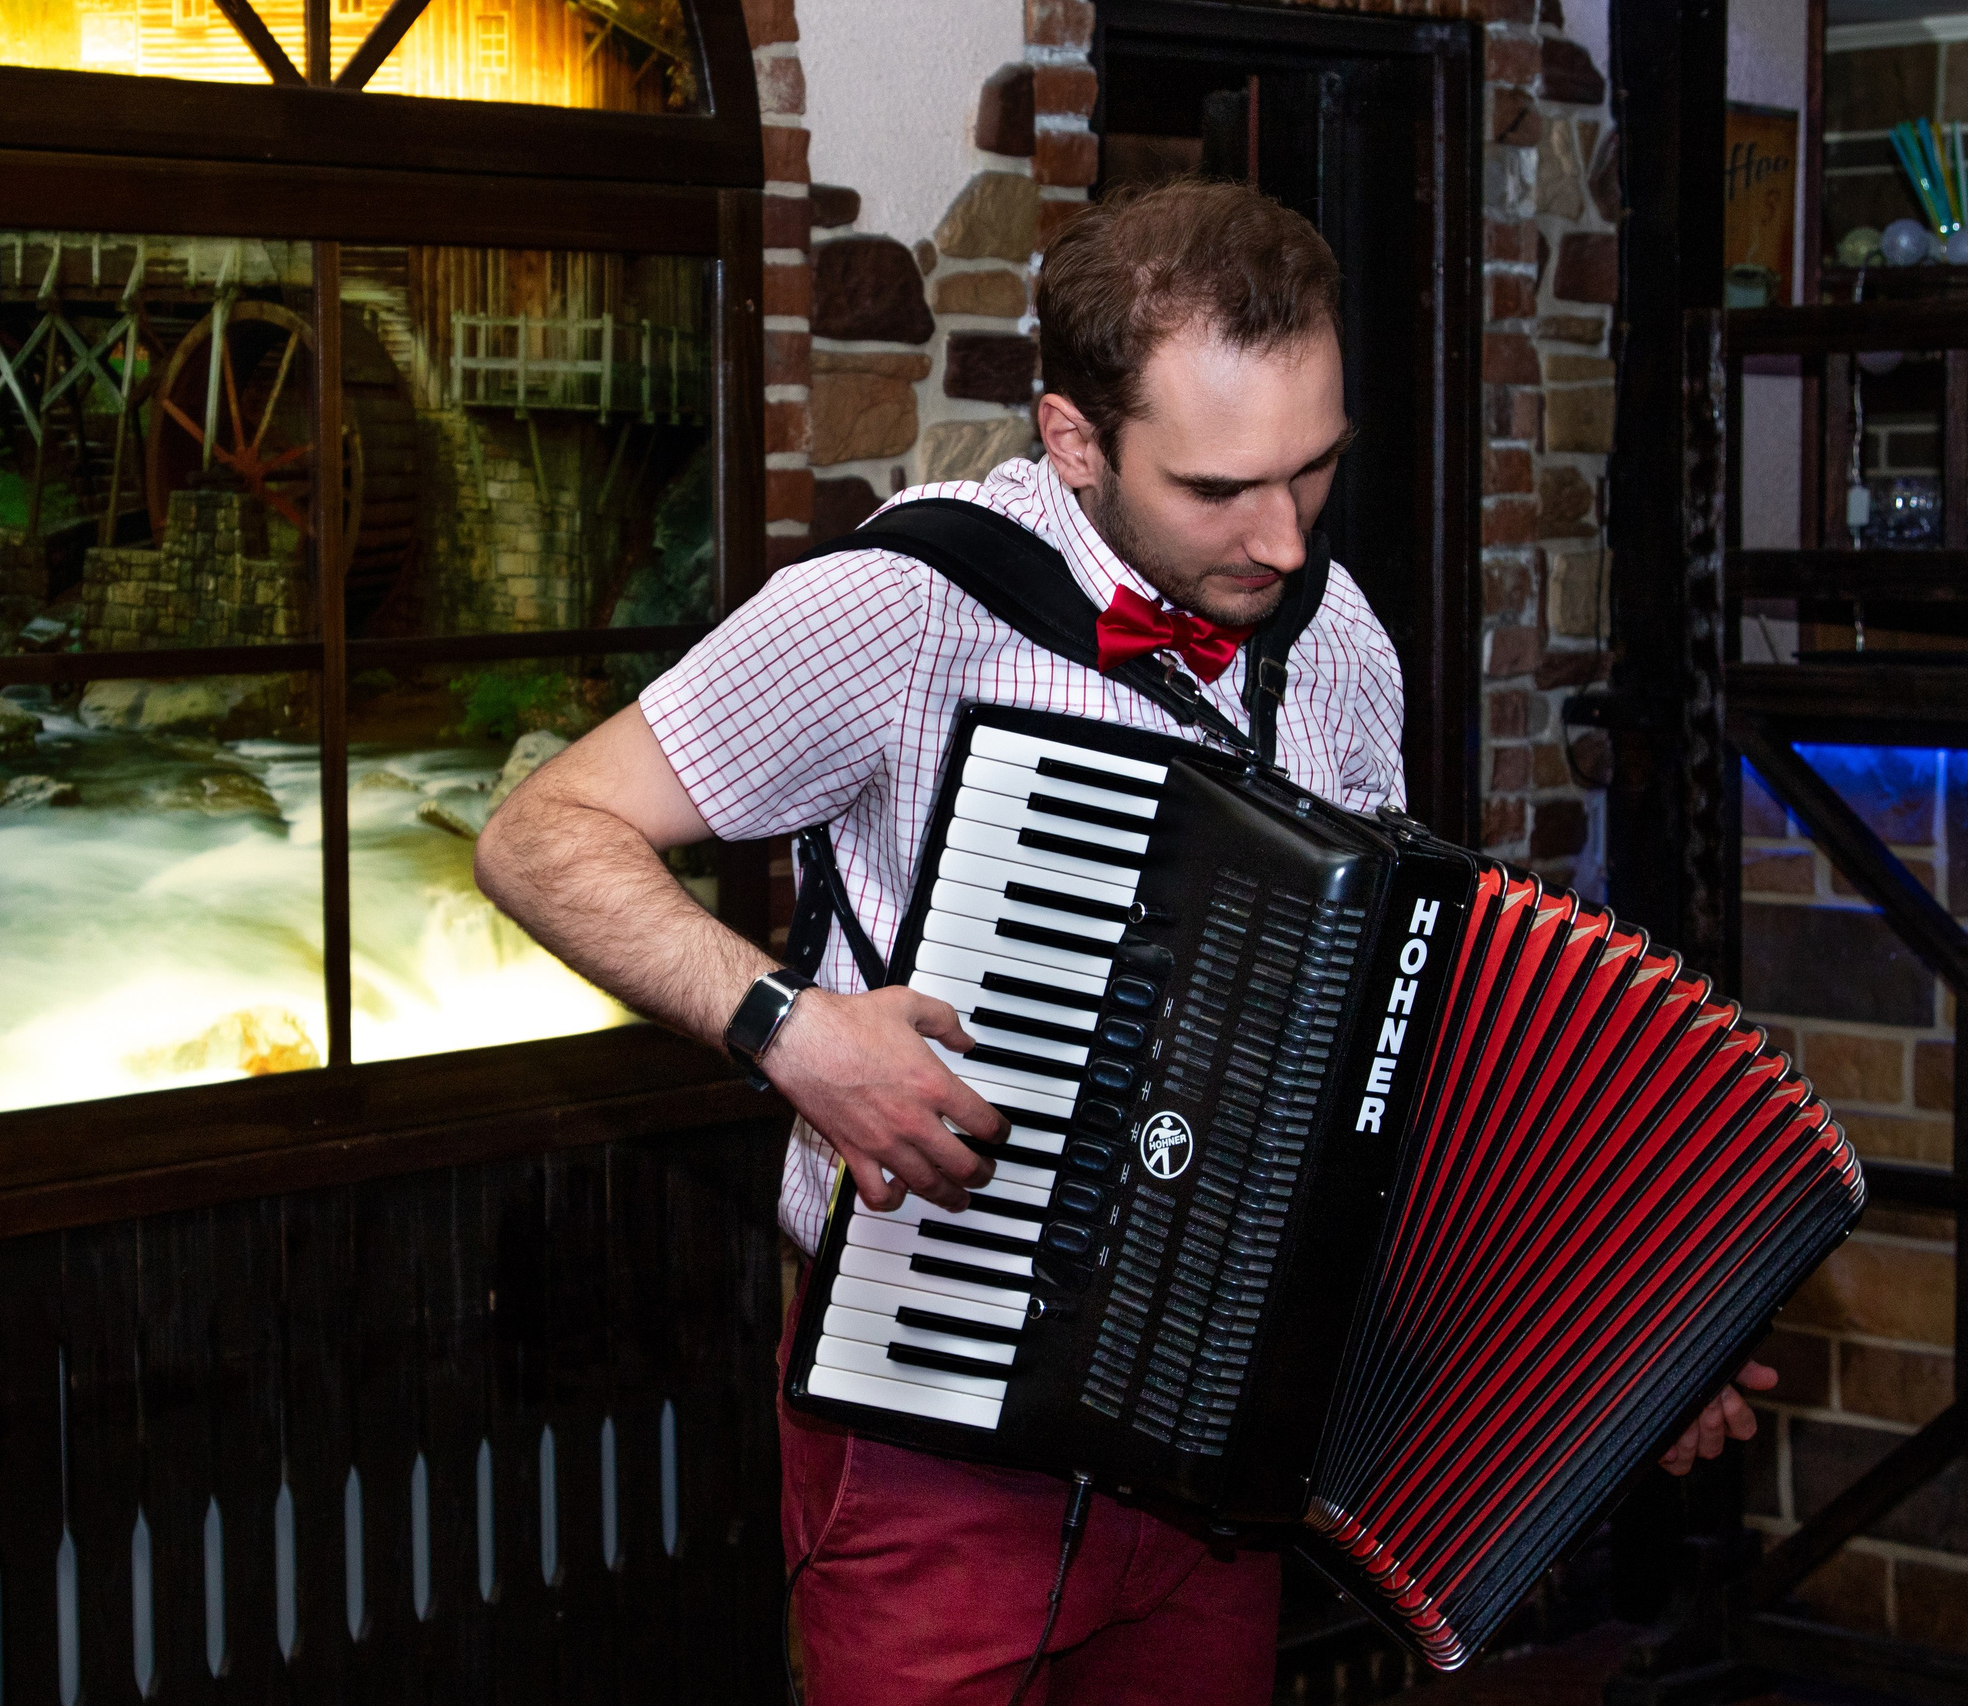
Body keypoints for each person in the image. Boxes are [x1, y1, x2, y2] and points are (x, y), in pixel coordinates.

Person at [474, 177, 1771, 1704]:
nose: (1284, 540)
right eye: (1221, 489)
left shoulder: (1337, 638)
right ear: (1075, 439)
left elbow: (1392, 1064)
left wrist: (1615, 1348)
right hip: (932, 1446)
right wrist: (792, 1031)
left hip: (1213, 1466)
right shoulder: (898, 609)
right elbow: (540, 833)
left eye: (1316, 469)